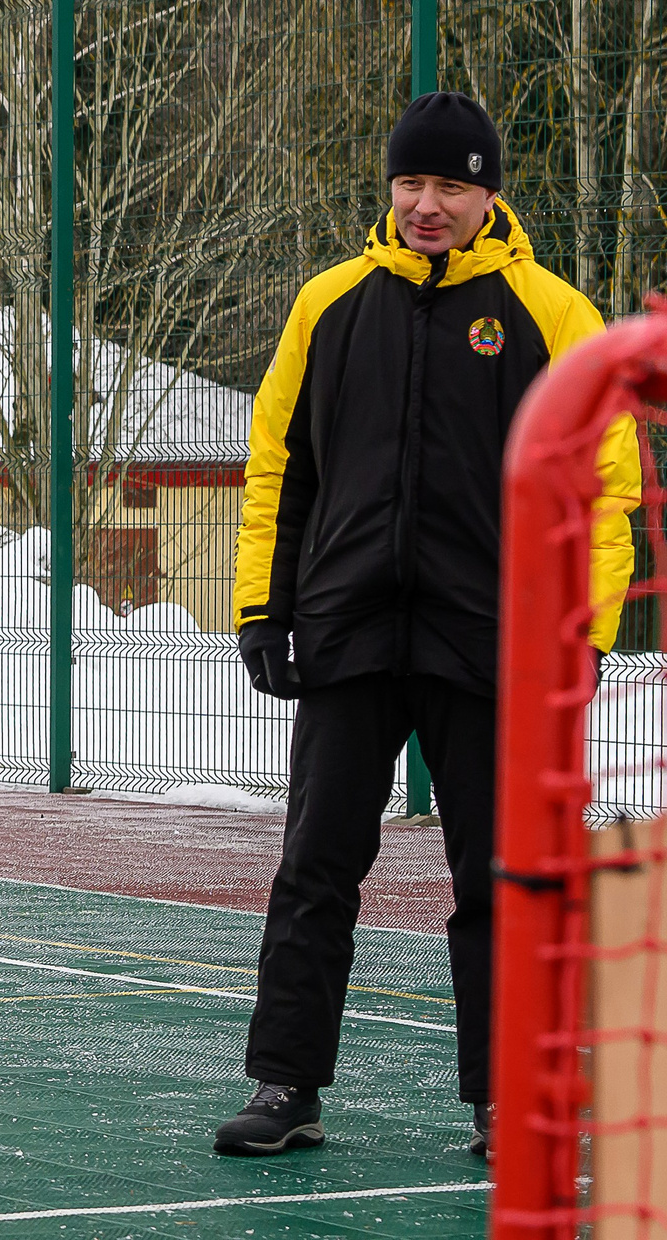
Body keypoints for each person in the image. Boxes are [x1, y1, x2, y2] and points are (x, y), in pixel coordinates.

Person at [214, 92, 638, 1163]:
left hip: (495, 644)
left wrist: (579, 636)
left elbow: (606, 487)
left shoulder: (553, 314)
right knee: (314, 869)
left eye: (450, 184)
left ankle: (508, 1104)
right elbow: (279, 466)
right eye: (410, 182)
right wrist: (264, 610)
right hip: (348, 633)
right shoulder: (328, 303)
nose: (426, 204)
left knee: (498, 881)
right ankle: (285, 1085)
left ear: (488, 193)